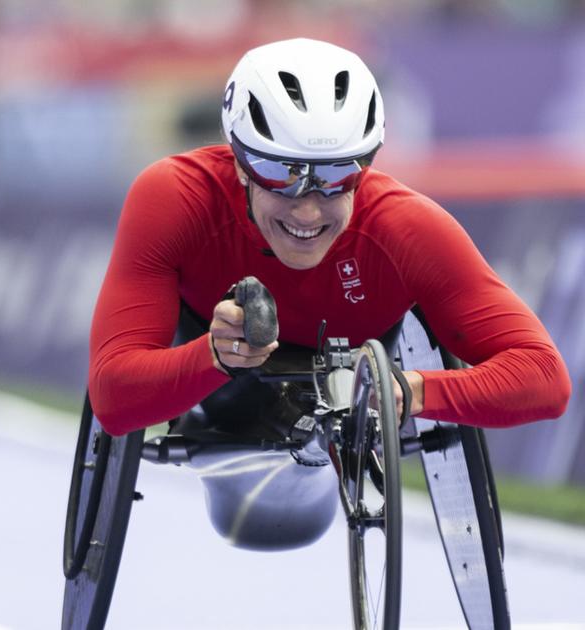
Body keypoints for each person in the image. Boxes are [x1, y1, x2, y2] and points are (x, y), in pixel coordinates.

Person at [89, 38, 570, 439]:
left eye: (339, 175)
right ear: (239, 162)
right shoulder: (175, 197)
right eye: (281, 173)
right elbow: (111, 400)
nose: (308, 208)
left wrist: (410, 390)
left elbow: (546, 379)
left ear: (368, 165)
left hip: (354, 378)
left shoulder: (406, 228)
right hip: (217, 381)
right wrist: (214, 354)